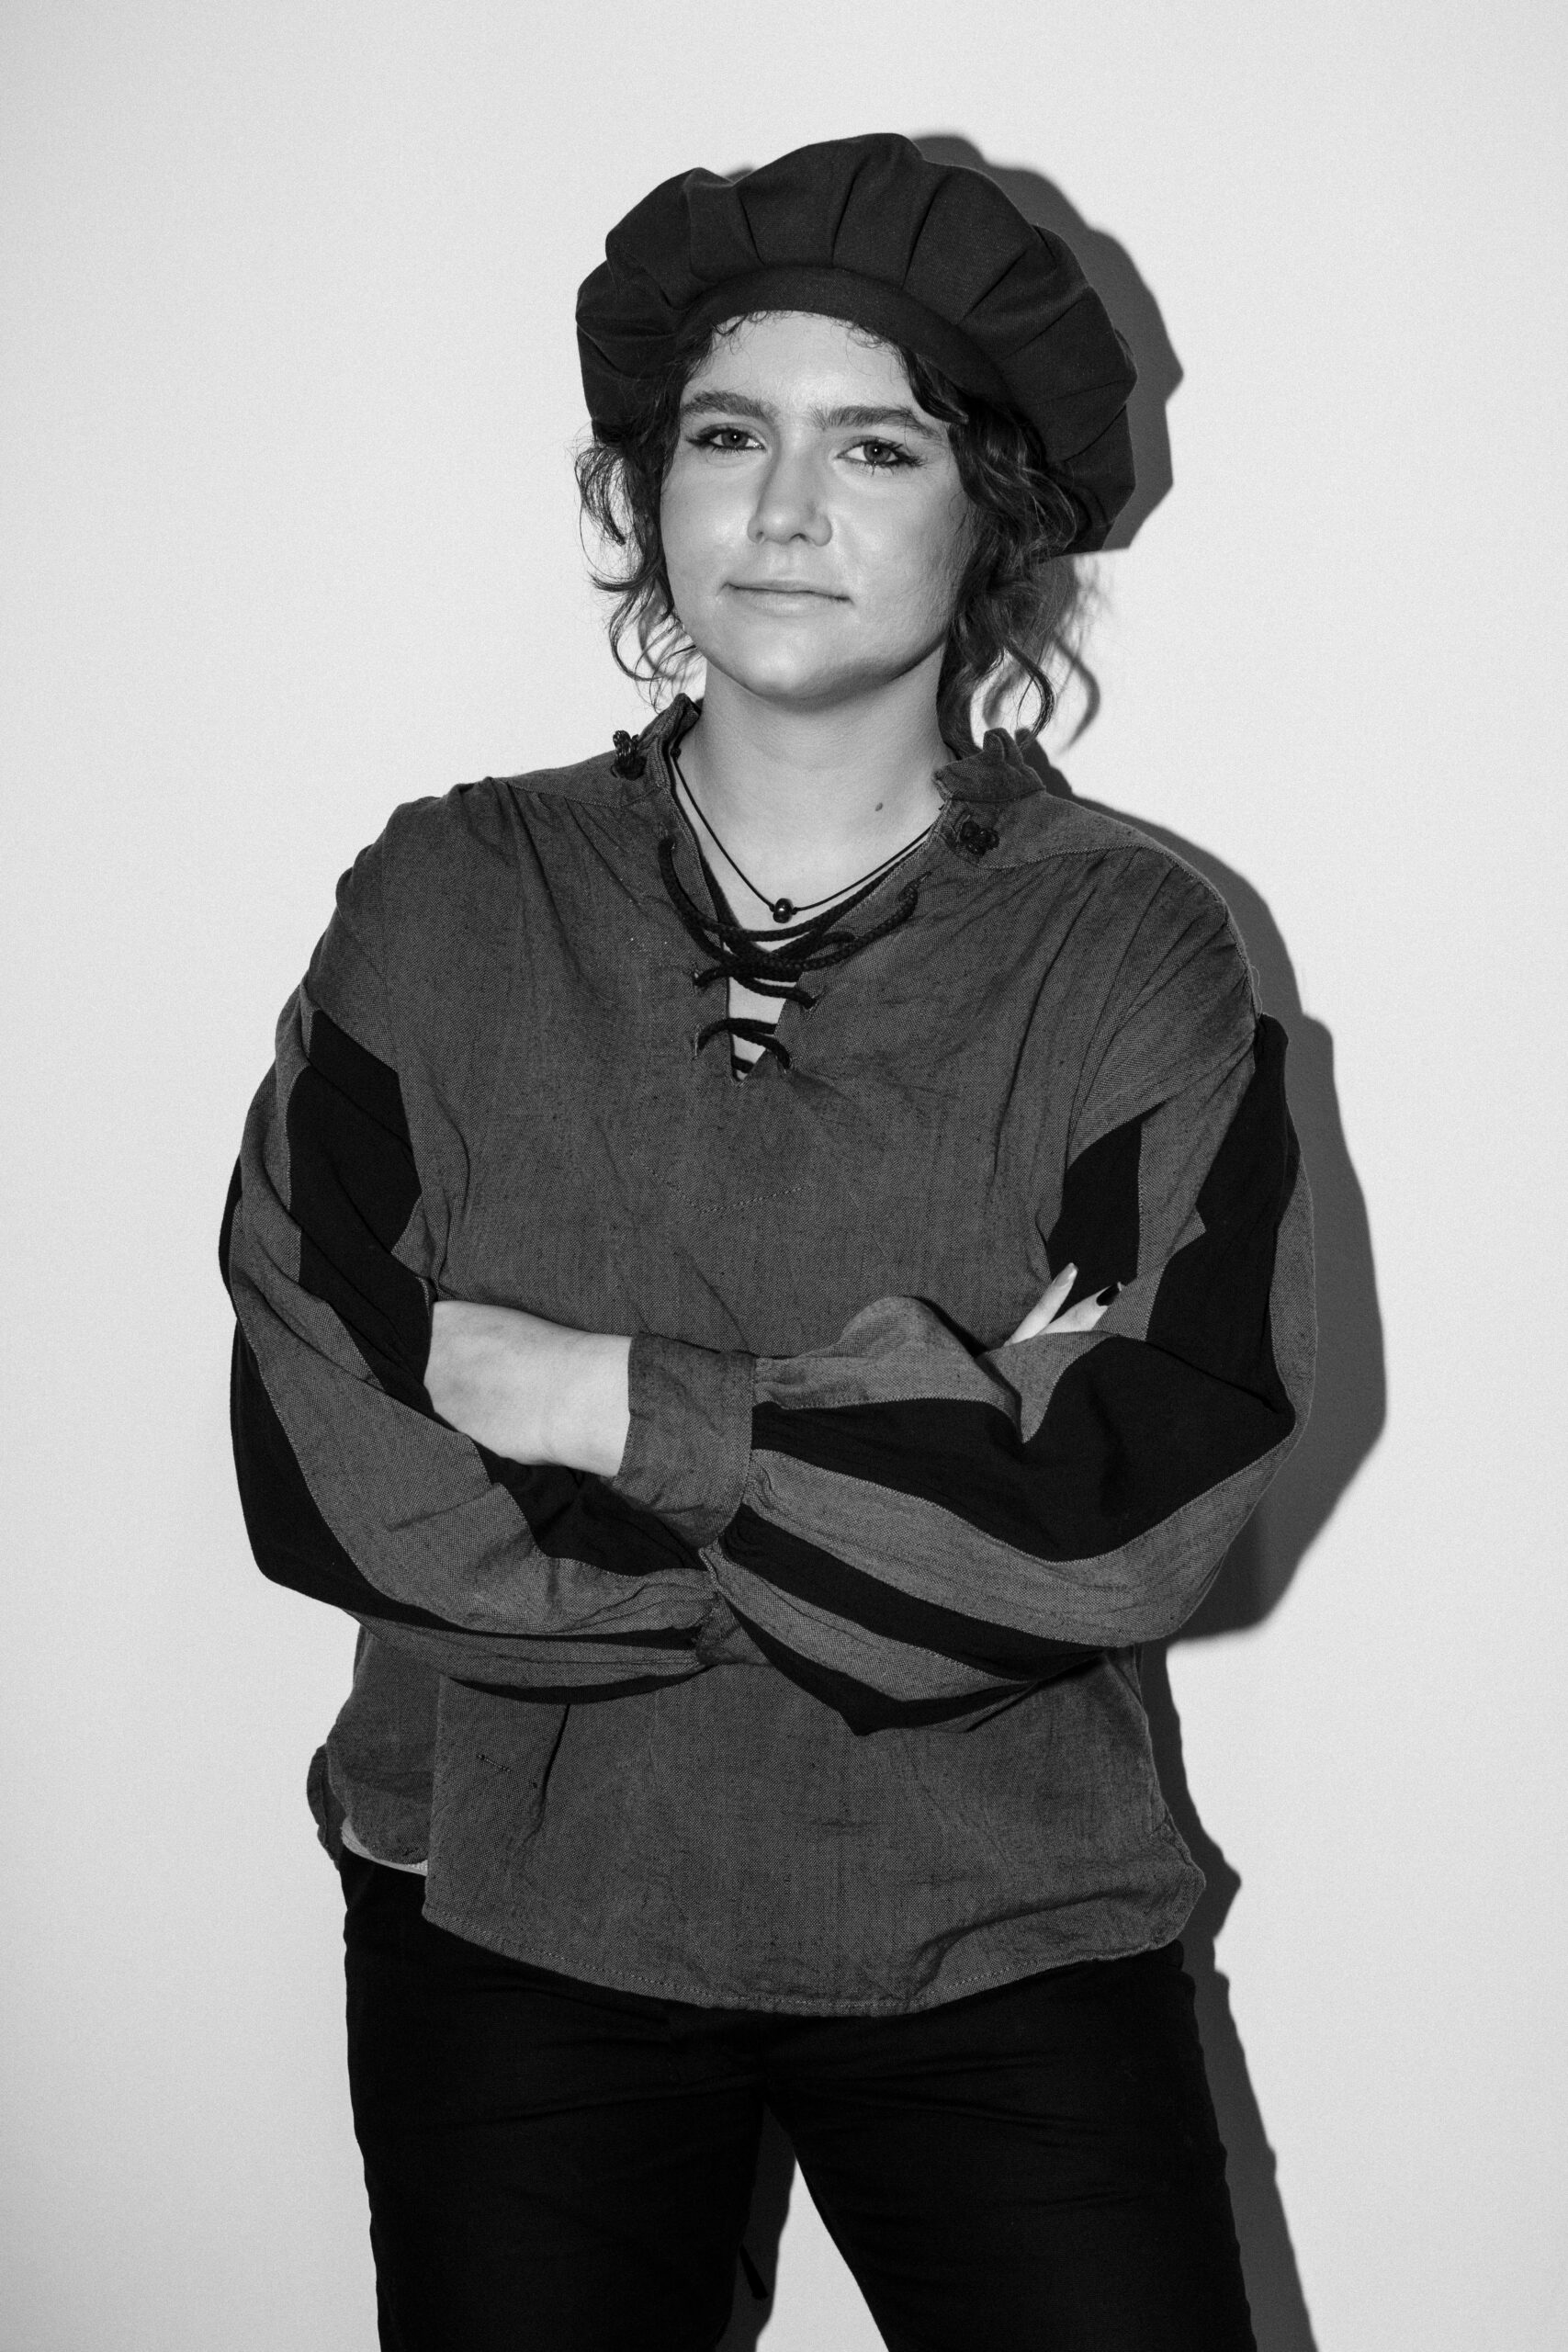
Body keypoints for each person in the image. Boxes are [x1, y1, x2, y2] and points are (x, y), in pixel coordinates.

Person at [222, 132, 1314, 2352]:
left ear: (987, 514)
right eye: (727, 434)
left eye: (874, 444)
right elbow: (323, 1416)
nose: (787, 505)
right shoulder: (446, 899)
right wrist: (894, 1470)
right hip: (503, 1904)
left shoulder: (1132, 951)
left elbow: (1131, 1498)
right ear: (647, 494)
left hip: (1002, 1905)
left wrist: (606, 1399)